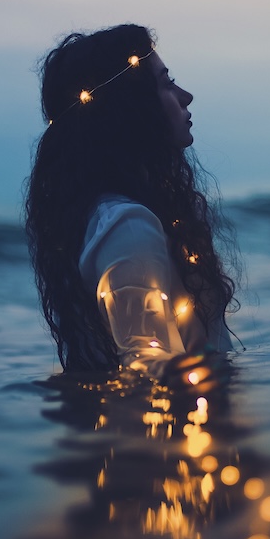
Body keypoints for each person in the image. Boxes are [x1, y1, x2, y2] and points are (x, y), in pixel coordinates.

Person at [24, 23, 238, 380]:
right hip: (176, 430)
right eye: (166, 83)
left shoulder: (116, 218)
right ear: (131, 108)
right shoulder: (128, 226)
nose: (185, 96)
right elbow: (147, 369)